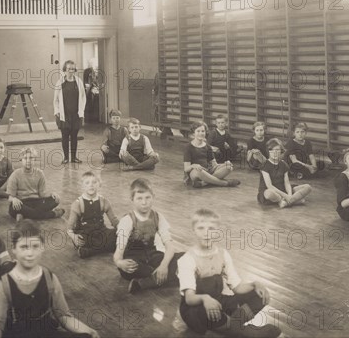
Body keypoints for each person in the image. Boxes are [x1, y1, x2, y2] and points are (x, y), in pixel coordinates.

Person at [177, 209, 283, 338]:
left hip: (218, 301)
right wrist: (205, 299)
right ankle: (244, 332)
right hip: (196, 308)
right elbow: (189, 299)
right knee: (203, 313)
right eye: (201, 228)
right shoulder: (187, 259)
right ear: (193, 230)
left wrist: (255, 284)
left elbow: (237, 287)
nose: (206, 233)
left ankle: (229, 326)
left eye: (211, 228)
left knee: (259, 296)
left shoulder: (223, 254)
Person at [0, 220, 99, 338]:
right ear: (14, 249)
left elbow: (63, 316)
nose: (30, 253)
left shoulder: (49, 278)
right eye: (24, 247)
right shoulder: (5, 284)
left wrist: (90, 331)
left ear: (42, 248)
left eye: (35, 246)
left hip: (46, 332)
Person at [113, 178, 183, 294]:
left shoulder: (158, 217)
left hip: (153, 256)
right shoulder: (127, 220)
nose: (144, 202)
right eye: (139, 198)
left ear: (153, 197)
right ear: (132, 199)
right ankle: (166, 277)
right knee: (134, 267)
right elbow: (118, 254)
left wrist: (163, 266)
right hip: (135, 260)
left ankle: (144, 283)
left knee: (186, 258)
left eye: (147, 197)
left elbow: (170, 246)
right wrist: (120, 263)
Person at [67, 171, 119, 258]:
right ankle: (105, 247)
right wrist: (74, 237)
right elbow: (69, 228)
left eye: (94, 182)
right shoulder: (77, 204)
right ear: (82, 186)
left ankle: (90, 251)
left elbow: (114, 221)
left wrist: (123, 229)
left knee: (118, 236)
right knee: (83, 240)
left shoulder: (104, 201)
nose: (91, 185)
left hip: (101, 231)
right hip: (85, 233)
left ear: (99, 184)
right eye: (87, 183)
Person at [8, 147, 64, 221]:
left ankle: (24, 215)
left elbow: (42, 194)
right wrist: (14, 199)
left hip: (36, 202)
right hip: (22, 203)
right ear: (21, 160)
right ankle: (52, 214)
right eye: (25, 158)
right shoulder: (15, 174)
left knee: (55, 200)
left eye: (31, 158)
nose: (28, 161)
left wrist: (52, 194)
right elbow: (10, 197)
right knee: (12, 208)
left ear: (34, 159)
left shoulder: (39, 173)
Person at [183, 121, 240, 188]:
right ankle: (224, 183)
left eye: (202, 131)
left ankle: (204, 183)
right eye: (198, 131)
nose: (201, 133)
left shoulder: (208, 146)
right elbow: (186, 168)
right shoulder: (188, 147)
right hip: (195, 172)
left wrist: (225, 164)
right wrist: (194, 165)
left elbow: (214, 164)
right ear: (193, 133)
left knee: (229, 167)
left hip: (208, 171)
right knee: (199, 171)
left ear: (205, 132)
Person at [258, 138, 312, 208]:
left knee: (307, 187)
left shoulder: (283, 164)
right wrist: (286, 196)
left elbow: (287, 183)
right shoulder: (265, 165)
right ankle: (287, 200)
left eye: (277, 150)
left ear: (281, 151)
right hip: (271, 191)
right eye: (272, 150)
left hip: (282, 189)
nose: (275, 152)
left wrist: (289, 194)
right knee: (269, 194)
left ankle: (286, 202)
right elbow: (269, 186)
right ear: (268, 151)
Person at [54, 60, 86, 164]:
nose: (71, 71)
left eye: (73, 69)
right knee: (65, 136)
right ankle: (66, 158)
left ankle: (73, 158)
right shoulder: (60, 82)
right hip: (64, 114)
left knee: (74, 136)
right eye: (69, 69)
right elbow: (56, 99)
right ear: (65, 70)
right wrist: (57, 111)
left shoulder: (78, 81)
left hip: (76, 114)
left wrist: (81, 111)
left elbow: (83, 97)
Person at [83, 57, 101, 123]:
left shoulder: (100, 70)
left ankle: (97, 117)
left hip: (97, 88)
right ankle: (90, 118)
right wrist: (88, 86)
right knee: (89, 100)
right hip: (90, 88)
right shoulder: (87, 71)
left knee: (97, 97)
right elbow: (86, 81)